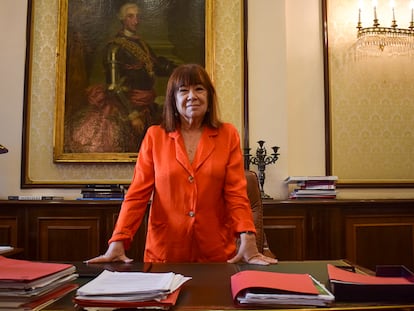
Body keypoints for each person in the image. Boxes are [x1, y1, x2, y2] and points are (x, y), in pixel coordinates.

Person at [86, 64, 278, 265]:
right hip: (165, 252)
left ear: (209, 97)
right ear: (173, 99)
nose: (192, 96)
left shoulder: (228, 135)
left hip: (215, 252)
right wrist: (119, 240)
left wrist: (248, 237)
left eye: (199, 89)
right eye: (183, 90)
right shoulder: (155, 136)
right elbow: (137, 195)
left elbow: (236, 193)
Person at [104, 2, 177, 151]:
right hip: (128, 105)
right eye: (131, 17)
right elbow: (113, 87)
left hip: (147, 102)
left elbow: (155, 66)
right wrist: (132, 114)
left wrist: (179, 70)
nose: (135, 21)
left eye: (137, 17)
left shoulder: (141, 43)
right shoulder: (115, 48)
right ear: (122, 19)